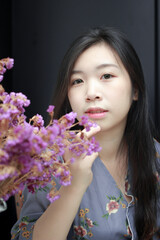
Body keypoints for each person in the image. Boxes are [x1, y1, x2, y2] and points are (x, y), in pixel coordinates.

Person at [11, 26, 160, 240]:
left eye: (106, 75)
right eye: (77, 81)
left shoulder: (155, 156)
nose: (91, 93)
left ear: (135, 89)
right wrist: (74, 185)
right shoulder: (48, 162)